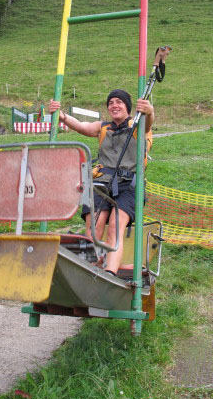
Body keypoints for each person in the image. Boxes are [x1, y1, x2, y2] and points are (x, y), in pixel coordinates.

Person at [49, 90, 154, 275]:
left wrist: (149, 111)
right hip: (102, 182)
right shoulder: (103, 128)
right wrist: (62, 116)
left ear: (127, 107)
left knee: (115, 226)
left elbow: (147, 124)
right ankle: (93, 268)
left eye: (119, 102)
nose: (114, 105)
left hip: (128, 185)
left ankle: (110, 273)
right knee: (93, 229)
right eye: (111, 102)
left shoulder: (138, 125)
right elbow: (82, 126)